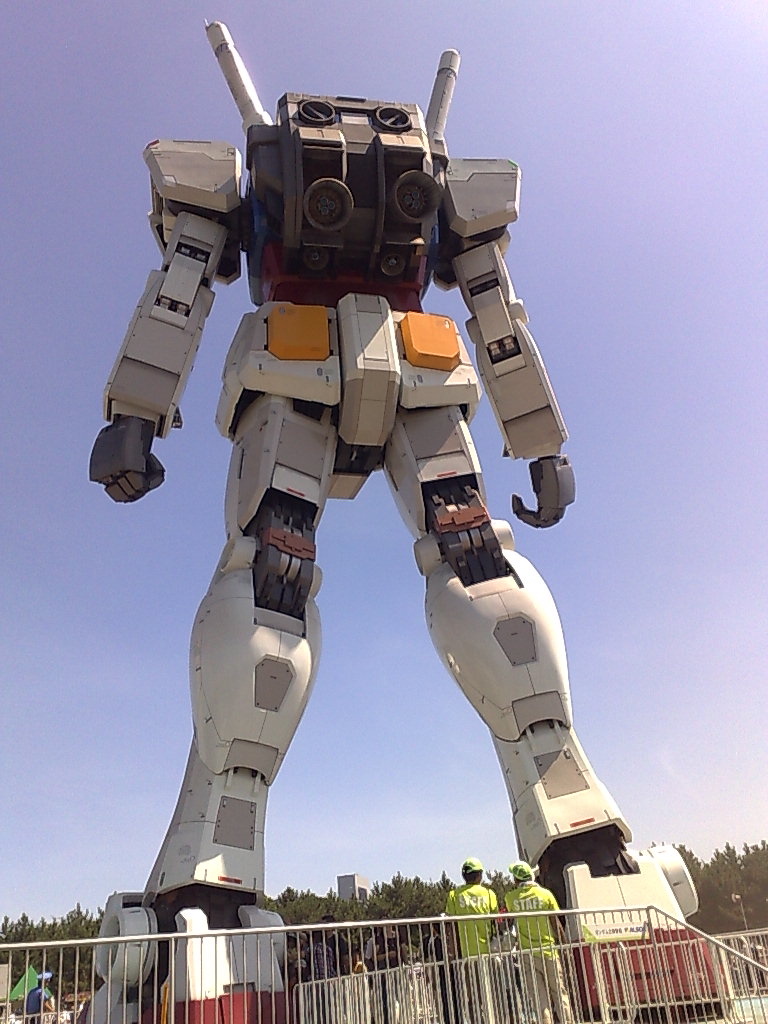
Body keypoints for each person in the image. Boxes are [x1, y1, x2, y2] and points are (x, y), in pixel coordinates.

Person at [504, 862, 573, 1024]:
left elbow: (508, 921)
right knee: (559, 993)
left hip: (527, 954)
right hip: (549, 950)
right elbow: (555, 922)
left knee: (539, 998)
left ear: (516, 879)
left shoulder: (510, 898)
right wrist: (565, 946)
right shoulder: (545, 894)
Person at [444, 858, 499, 1024]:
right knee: (493, 994)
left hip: (466, 955)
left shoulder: (454, 896)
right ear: (480, 875)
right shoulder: (489, 894)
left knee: (472, 997)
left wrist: (452, 952)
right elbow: (496, 921)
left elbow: (451, 927)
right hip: (489, 953)